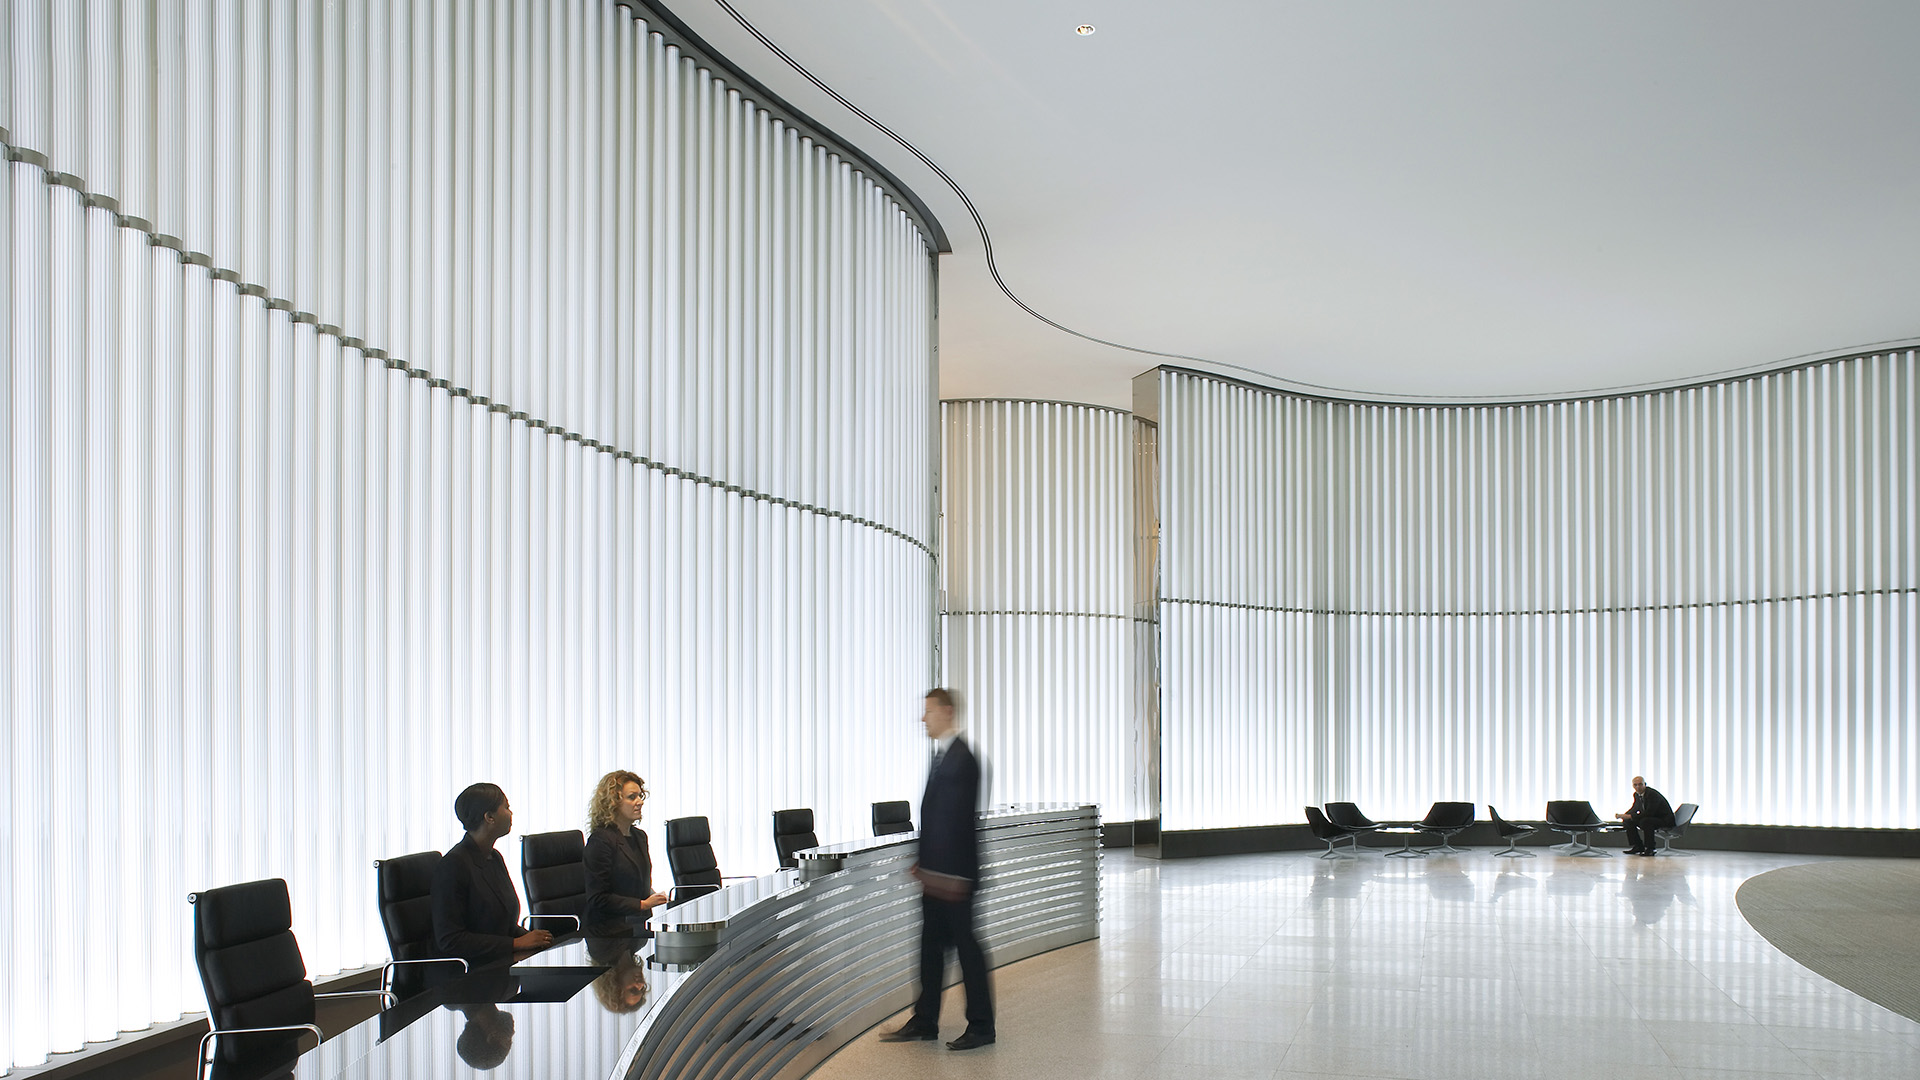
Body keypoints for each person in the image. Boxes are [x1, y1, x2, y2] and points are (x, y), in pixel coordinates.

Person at [880, 688, 995, 1051]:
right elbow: (935, 818)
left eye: (928, 711)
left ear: (946, 712)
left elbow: (957, 823)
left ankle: (981, 1026)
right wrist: (924, 862)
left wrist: (946, 873)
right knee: (930, 948)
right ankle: (926, 1020)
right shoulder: (943, 757)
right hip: (937, 876)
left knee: (967, 950)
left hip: (955, 878)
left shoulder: (964, 758)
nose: (923, 718)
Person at [432, 783, 553, 965]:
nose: (511, 813)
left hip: (499, 961)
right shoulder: (453, 865)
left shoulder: (493, 857)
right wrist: (515, 943)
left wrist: (533, 938)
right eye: (506, 807)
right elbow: (451, 940)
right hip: (470, 972)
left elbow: (502, 923)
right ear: (489, 817)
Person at [583, 770, 669, 937]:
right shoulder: (600, 840)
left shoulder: (639, 836)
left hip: (637, 926)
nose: (640, 802)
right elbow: (598, 898)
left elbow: (636, 882)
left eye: (640, 796)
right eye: (632, 797)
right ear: (613, 802)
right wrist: (643, 905)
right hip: (608, 932)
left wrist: (654, 896)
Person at [1615, 775, 1675, 855]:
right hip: (1651, 818)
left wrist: (1631, 816)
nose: (1638, 787)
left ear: (1645, 784)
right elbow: (1635, 808)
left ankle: (1650, 848)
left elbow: (1649, 813)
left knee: (1646, 821)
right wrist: (1624, 816)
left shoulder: (1652, 794)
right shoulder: (1636, 795)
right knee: (1628, 821)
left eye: (1640, 784)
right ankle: (1638, 846)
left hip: (1664, 820)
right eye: (1635, 785)